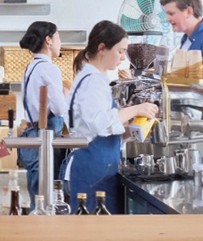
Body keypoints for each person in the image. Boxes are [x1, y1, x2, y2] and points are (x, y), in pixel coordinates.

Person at [60, 21, 158, 214]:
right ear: (102, 48)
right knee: (93, 232)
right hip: (93, 168)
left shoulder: (95, 78)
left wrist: (132, 131)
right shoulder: (92, 81)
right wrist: (136, 109)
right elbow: (99, 124)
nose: (123, 58)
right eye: (120, 51)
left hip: (97, 165)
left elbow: (98, 128)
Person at [17, 21, 69, 211]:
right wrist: (66, 93)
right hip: (45, 136)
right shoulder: (49, 68)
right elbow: (59, 109)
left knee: (36, 198)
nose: (60, 42)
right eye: (58, 37)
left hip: (32, 134)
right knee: (46, 199)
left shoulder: (31, 67)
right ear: (48, 40)